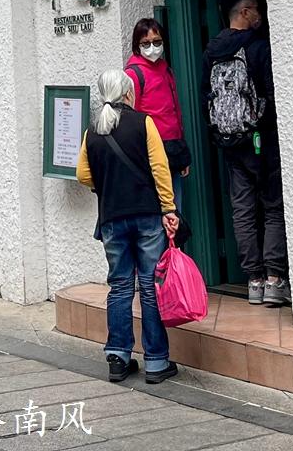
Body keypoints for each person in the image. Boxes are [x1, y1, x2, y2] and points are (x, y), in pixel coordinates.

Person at [76, 68, 180, 385]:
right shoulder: (143, 122)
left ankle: (118, 358)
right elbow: (160, 169)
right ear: (127, 93)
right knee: (149, 286)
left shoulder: (92, 131)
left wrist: (106, 186)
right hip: (147, 214)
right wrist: (169, 207)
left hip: (111, 218)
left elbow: (83, 174)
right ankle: (157, 362)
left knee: (120, 286)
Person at [203, 0, 289, 307]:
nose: (260, 16)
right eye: (257, 10)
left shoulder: (211, 51)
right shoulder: (258, 47)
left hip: (229, 141)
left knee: (242, 209)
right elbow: (270, 91)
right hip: (260, 140)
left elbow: (205, 96)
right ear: (245, 11)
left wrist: (220, 133)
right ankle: (274, 279)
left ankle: (253, 280)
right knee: (272, 206)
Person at [124, 17, 189, 213]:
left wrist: (182, 153)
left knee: (175, 209)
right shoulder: (133, 74)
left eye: (157, 42)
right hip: (150, 150)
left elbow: (175, 111)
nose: (152, 47)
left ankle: (174, 245)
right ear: (137, 45)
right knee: (160, 210)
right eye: (146, 43)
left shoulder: (166, 69)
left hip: (173, 147)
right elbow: (129, 117)